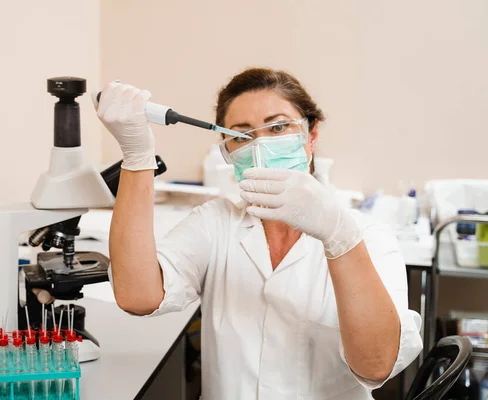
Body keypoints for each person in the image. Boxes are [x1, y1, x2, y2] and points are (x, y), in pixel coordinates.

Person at [93, 68, 422, 399]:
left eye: (278, 127)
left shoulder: (366, 235)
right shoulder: (216, 223)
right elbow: (137, 296)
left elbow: (375, 365)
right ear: (227, 151)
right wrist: (137, 157)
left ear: (311, 135)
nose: (262, 146)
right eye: (242, 135)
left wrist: (338, 237)